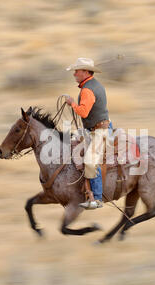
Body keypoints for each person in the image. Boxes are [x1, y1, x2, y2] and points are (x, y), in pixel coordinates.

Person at [65, 57, 113, 210]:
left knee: (90, 161)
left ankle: (97, 199)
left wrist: (72, 103)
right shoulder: (94, 85)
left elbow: (84, 112)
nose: (74, 74)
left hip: (100, 131)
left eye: (76, 71)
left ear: (85, 72)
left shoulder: (87, 90)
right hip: (95, 128)